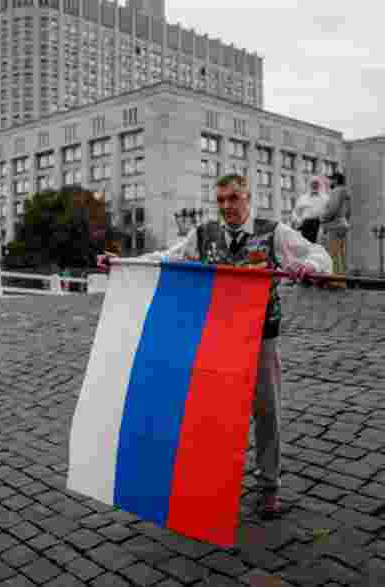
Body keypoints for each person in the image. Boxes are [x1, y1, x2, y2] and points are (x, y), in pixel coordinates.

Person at [97, 174, 331, 519]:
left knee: (267, 412)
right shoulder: (204, 234)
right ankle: (213, 483)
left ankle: (269, 487)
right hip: (219, 338)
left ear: (247, 197)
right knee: (215, 413)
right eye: (221, 200)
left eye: (233, 198)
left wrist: (309, 266)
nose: (226, 207)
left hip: (262, 336)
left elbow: (319, 252)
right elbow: (169, 258)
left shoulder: (273, 231)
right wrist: (120, 264)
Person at [321, 172, 352, 288]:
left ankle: (335, 282)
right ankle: (340, 281)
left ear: (336, 180)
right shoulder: (346, 192)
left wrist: (322, 218)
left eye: (331, 180)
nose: (330, 182)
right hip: (342, 225)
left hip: (334, 225)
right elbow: (349, 212)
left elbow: (332, 209)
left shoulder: (337, 191)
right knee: (340, 254)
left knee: (332, 254)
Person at [290, 175, 329, 244]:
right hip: (306, 225)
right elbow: (295, 212)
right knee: (306, 246)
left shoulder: (325, 198)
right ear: (310, 185)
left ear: (320, 185)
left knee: (318, 247)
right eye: (313, 183)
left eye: (316, 183)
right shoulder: (303, 198)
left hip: (320, 225)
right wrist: (298, 221)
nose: (314, 185)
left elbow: (329, 212)